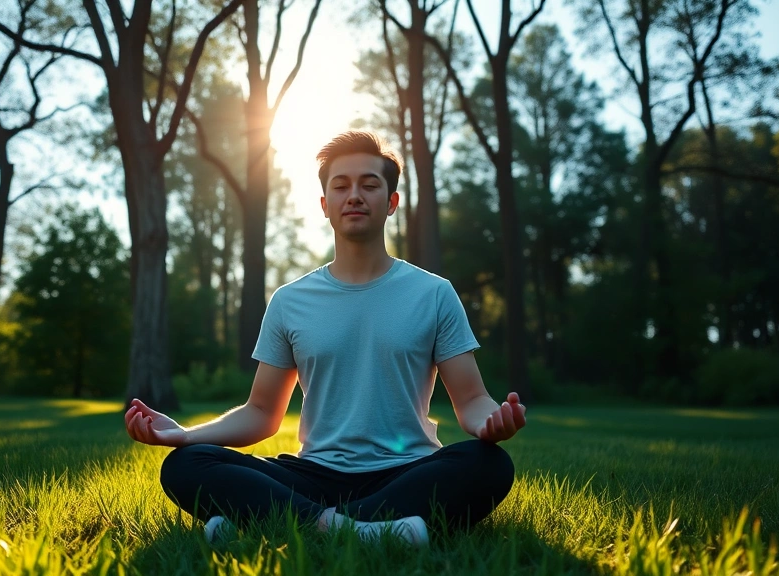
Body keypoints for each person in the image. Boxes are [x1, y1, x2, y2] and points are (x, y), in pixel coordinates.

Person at [124, 130, 527, 547]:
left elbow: (471, 399)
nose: (355, 195)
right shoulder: (290, 300)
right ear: (325, 205)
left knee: (488, 464)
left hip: (406, 469)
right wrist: (185, 435)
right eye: (341, 186)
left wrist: (491, 421)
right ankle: (370, 531)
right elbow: (262, 412)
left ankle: (268, 523)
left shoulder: (434, 293)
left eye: (369, 185)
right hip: (312, 475)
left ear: (391, 203)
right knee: (186, 464)